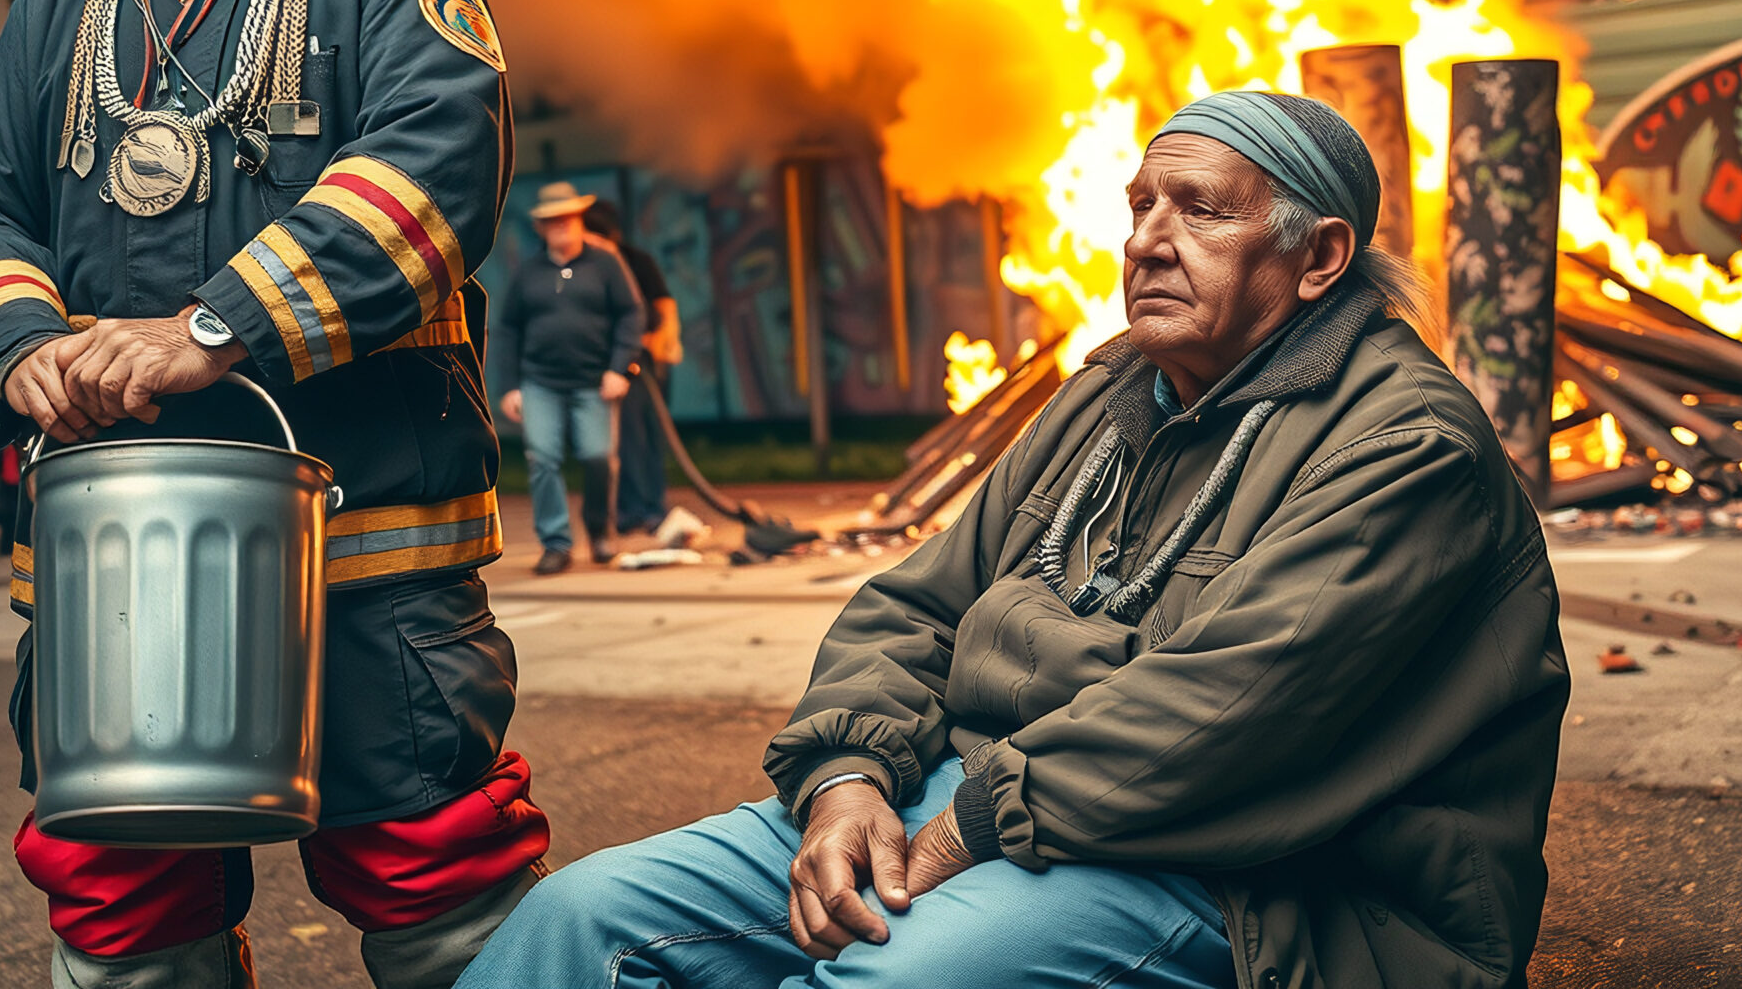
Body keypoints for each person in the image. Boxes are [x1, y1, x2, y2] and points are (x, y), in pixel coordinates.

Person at [461, 91, 1569, 989]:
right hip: (978, 799)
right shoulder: (1111, 393)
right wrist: (848, 782)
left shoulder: (1408, 444)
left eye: (1198, 211)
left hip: (1258, 877)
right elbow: (916, 606)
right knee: (575, 921)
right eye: (1140, 208)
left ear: (1318, 257)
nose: (1147, 242)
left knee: (879, 981)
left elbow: (1225, 719)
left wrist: (953, 837)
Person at [0, 0, 544, 987]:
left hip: (369, 542)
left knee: (438, 873)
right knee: (124, 902)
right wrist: (20, 346)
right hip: (115, 559)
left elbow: (438, 160)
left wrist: (215, 328)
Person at [495, 182, 643, 573]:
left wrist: (619, 368)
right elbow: (508, 329)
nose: (560, 225)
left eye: (567, 218)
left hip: (594, 381)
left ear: (579, 221)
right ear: (541, 229)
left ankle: (599, 529)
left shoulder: (606, 264)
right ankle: (556, 543)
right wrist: (509, 386)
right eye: (551, 221)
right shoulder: (527, 273)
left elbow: (632, 314)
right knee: (542, 458)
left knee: (598, 457)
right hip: (540, 382)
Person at [582, 199, 681, 534]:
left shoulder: (636, 262)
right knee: (618, 441)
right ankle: (628, 510)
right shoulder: (589, 266)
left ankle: (651, 508)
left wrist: (658, 343)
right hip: (610, 365)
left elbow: (664, 308)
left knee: (645, 438)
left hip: (644, 364)